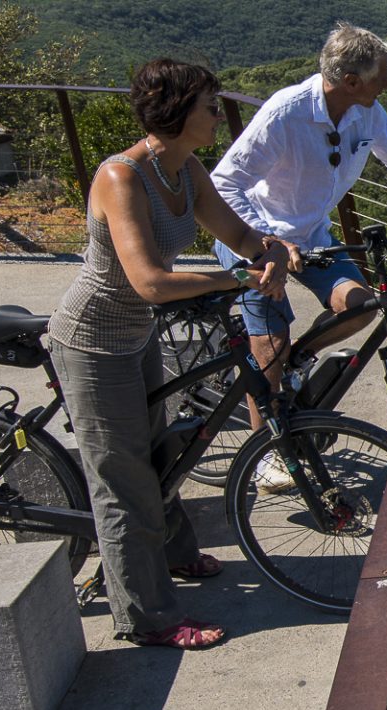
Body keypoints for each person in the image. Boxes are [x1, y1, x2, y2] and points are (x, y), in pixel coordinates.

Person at [47, 58, 299, 650]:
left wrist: (270, 251)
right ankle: (148, 616)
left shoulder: (187, 171)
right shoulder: (121, 178)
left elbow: (237, 236)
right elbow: (150, 282)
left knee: (161, 456)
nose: (218, 114)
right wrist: (234, 281)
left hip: (135, 336)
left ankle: (179, 556)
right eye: (210, 105)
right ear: (179, 112)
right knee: (123, 482)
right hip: (90, 341)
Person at [211, 22, 387, 448]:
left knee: (362, 307)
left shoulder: (365, 111)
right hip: (254, 237)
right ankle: (266, 453)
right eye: (381, 75)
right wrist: (268, 241)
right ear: (351, 81)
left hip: (312, 235)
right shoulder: (285, 113)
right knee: (269, 349)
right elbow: (223, 184)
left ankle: (298, 360)